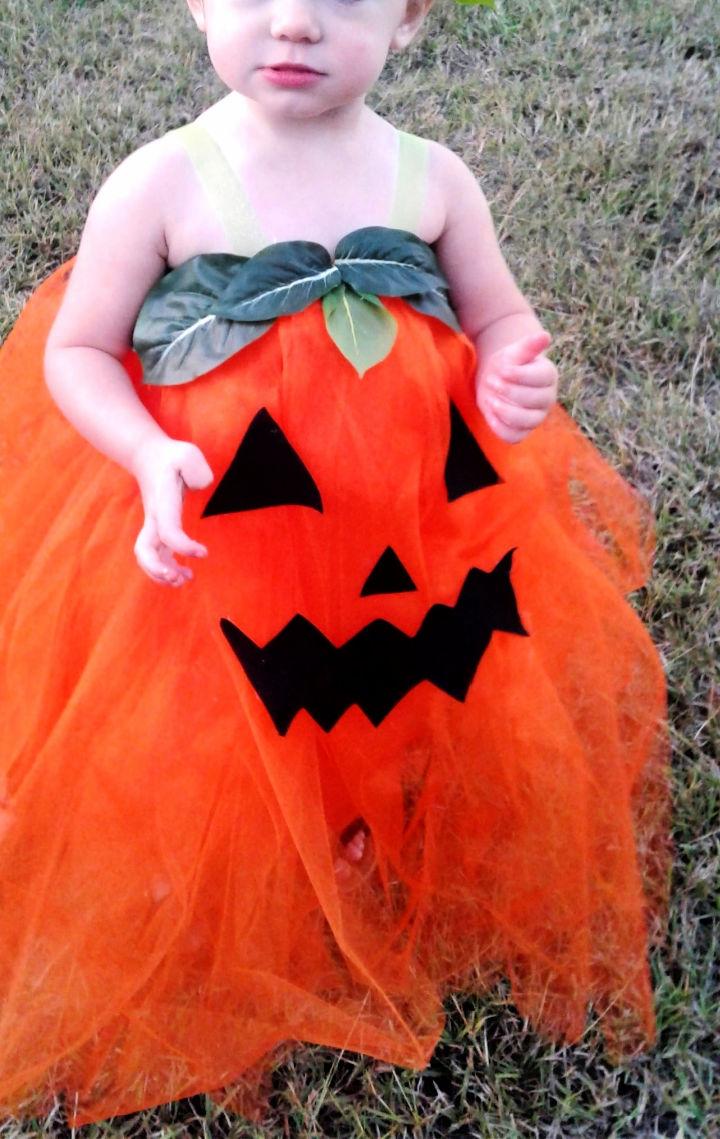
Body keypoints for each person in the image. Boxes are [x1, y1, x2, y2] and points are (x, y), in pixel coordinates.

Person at [0, 0, 669, 1126]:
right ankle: (226, 843)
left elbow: (502, 319)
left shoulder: (435, 181)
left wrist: (515, 375)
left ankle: (363, 813)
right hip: (223, 533)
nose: (297, 20)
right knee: (216, 693)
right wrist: (146, 448)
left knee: (409, 670)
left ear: (409, 19)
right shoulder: (163, 184)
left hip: (398, 524)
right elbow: (78, 347)